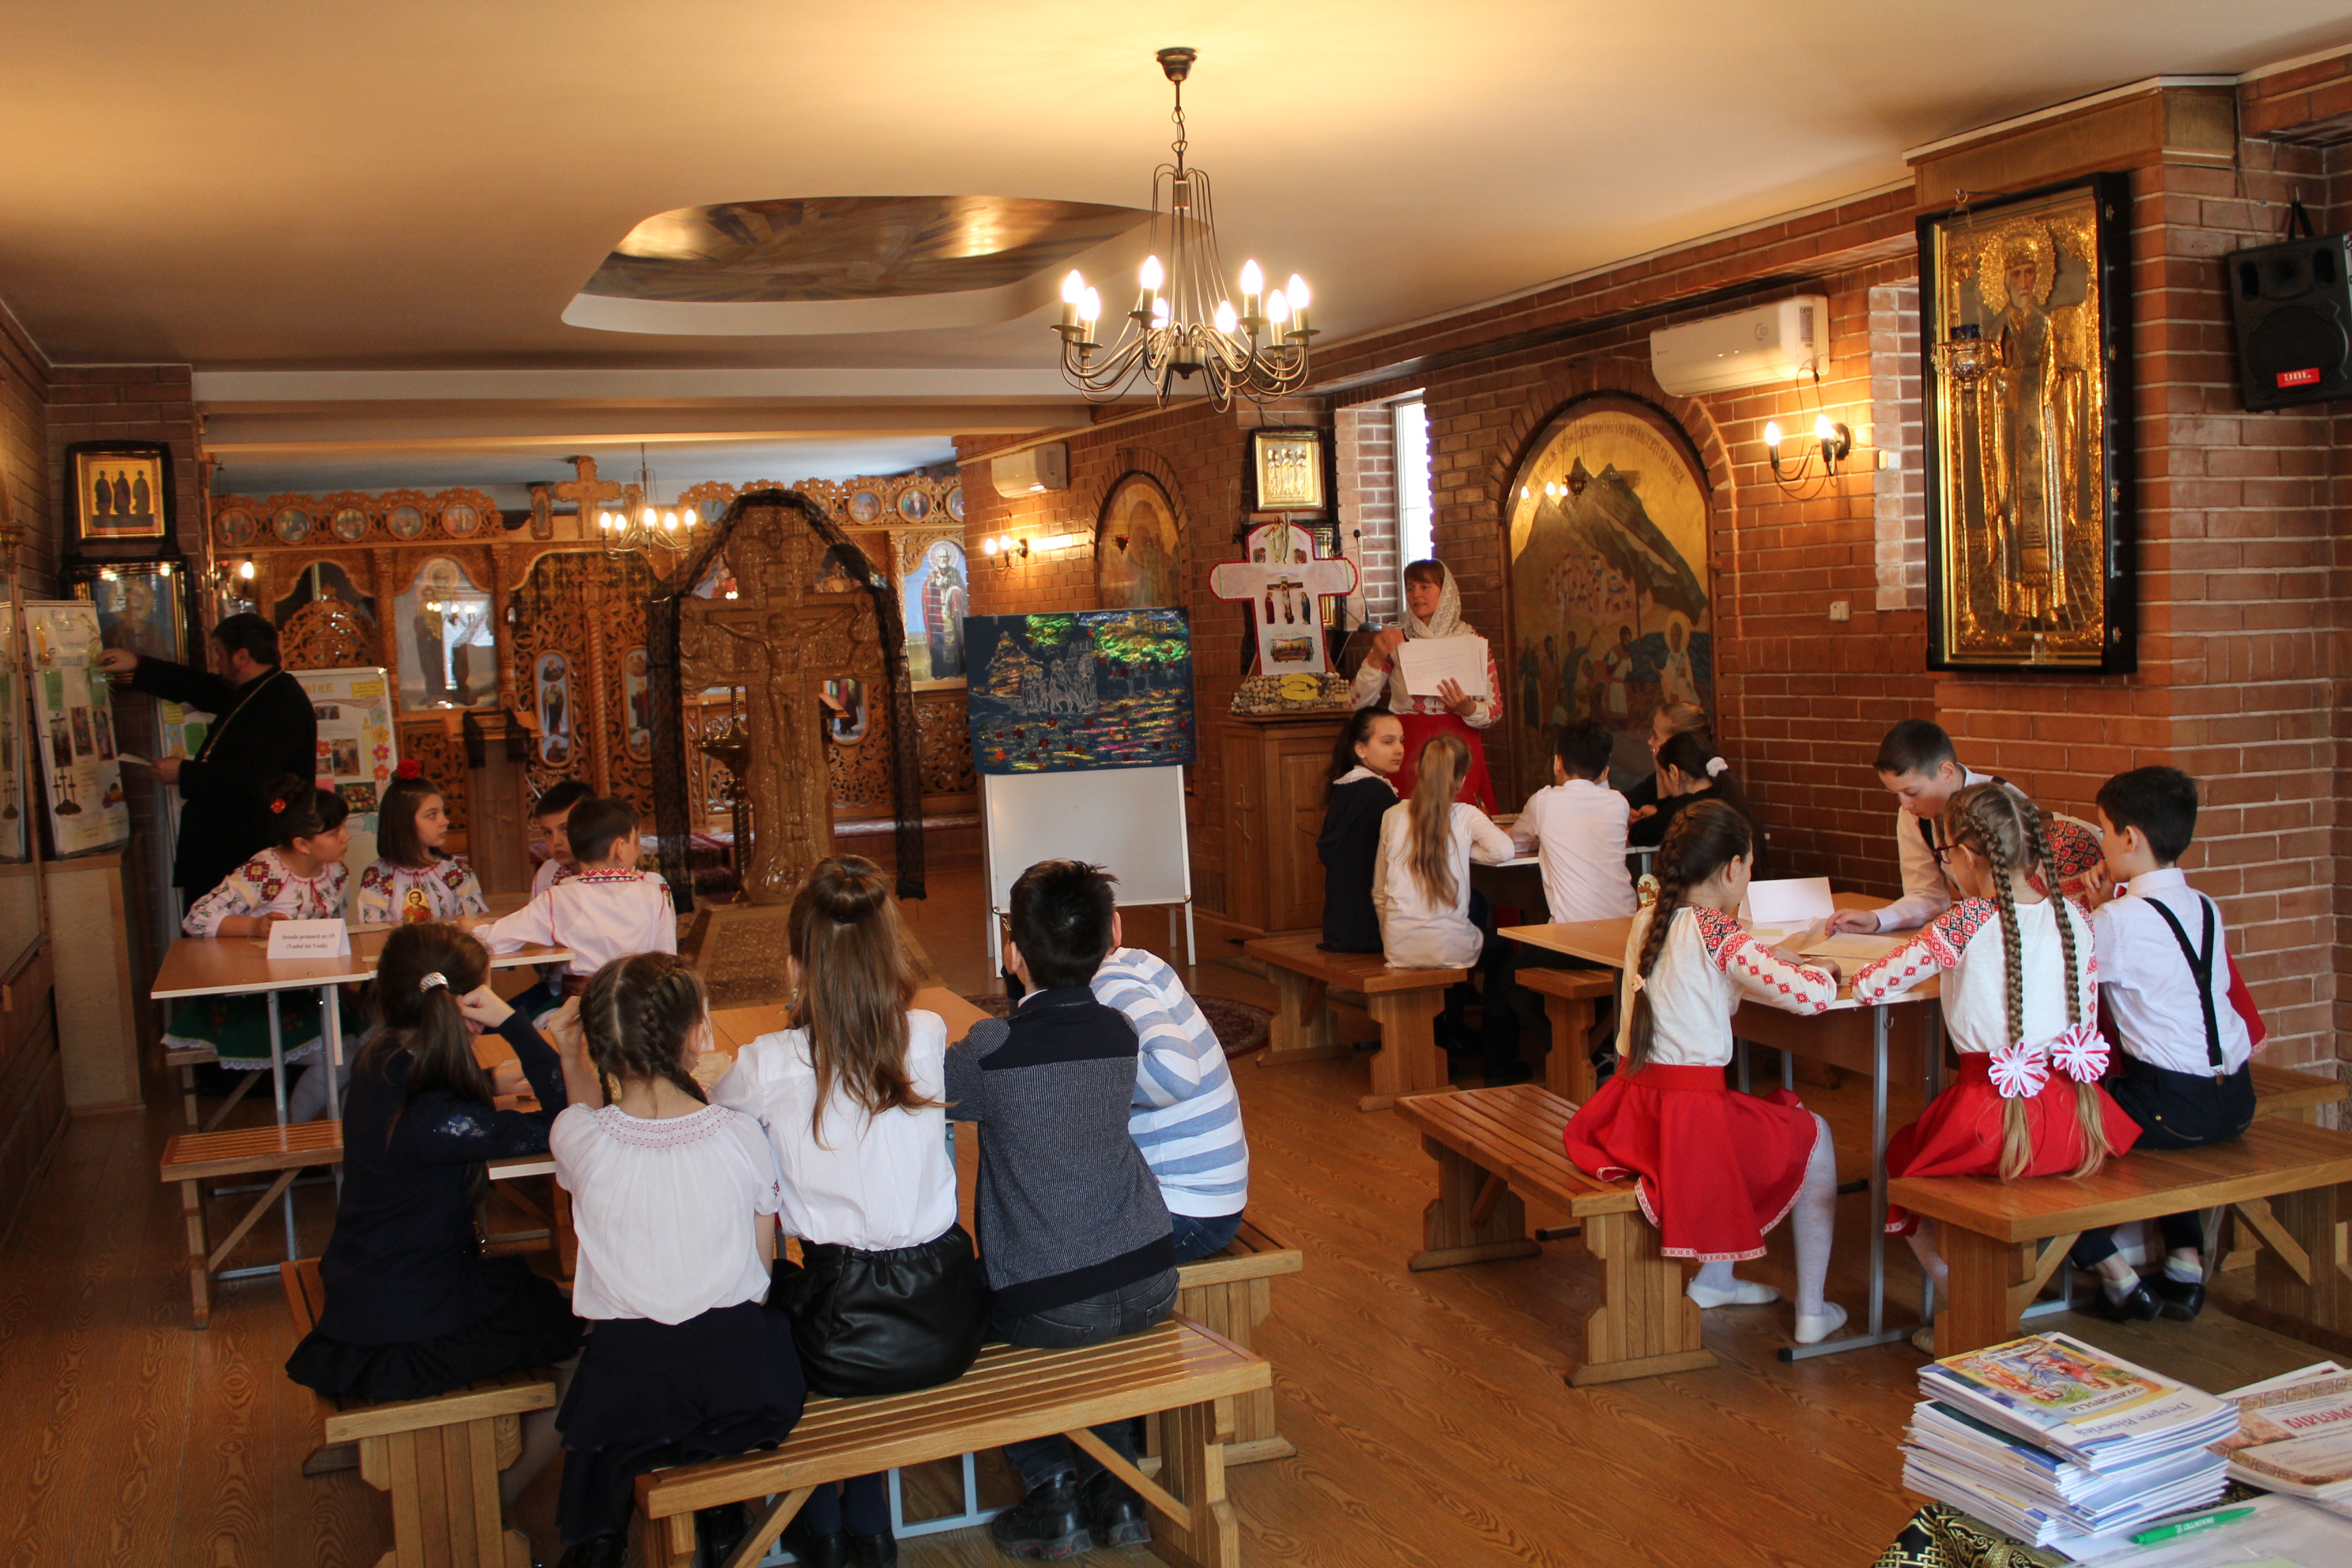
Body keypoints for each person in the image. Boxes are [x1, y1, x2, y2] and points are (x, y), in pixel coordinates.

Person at [715, 857, 985, 1568]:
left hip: (844, 1327)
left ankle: (823, 1526)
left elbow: (718, 1113)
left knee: (760, 1307)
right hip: (948, 1313)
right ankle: (869, 1526)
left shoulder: (768, 1061)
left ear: (796, 969)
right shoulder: (925, 1032)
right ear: (891, 955)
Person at [284, 923, 591, 1530]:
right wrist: (517, 1027)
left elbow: (433, 1113)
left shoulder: (381, 1058)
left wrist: (488, 1083)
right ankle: (485, 1508)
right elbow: (570, 1128)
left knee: (546, 1299)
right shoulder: (435, 1118)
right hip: (410, 1325)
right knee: (595, 1346)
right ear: (467, 1004)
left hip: (368, 1283)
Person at [1849, 783, 2139, 1337]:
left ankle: (1971, 1306)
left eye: (1944, 854)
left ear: (1966, 855)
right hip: (2076, 1116)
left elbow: (1872, 985)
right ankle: (2110, 1271)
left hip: (1994, 1119)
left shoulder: (1964, 922)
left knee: (1902, 1160)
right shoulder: (2075, 917)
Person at [949, 861, 1176, 1559]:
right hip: (1150, 1275)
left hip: (1048, 1300)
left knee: (971, 1318)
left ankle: (1052, 1493)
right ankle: (1116, 1489)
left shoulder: (993, 1047)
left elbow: (941, 1093)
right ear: (1111, 938)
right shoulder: (1120, 1032)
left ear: (1012, 953)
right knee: (1093, 1329)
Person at [550, 953, 806, 1568]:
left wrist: (571, 1061)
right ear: (696, 1033)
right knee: (781, 1305)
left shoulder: (578, 1138)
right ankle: (723, 1523)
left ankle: (598, 1542)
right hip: (739, 1378)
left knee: (604, 1412)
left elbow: (582, 1118)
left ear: (601, 1044)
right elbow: (760, 1276)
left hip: (629, 1381)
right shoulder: (740, 1135)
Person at [1561, 802, 1849, 1342]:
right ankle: (1813, 1310)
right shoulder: (1719, 932)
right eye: (1751, 866)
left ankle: (1717, 1280)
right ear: (1732, 868)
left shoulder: (1650, 918)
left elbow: (1707, 979)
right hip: (1687, 1119)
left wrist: (1764, 961)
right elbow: (1810, 998)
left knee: (1744, 1126)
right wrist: (1825, 969)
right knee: (1815, 1134)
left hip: (1633, 1107)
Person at [2064, 768, 2256, 1322]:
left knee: (2044, 1124)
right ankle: (2184, 1265)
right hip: (2235, 1100)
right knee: (2148, 1107)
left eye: (2103, 831)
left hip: (2170, 1109)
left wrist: (2099, 909)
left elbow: (2068, 981)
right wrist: (2110, 904)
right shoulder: (2206, 906)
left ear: (2130, 838)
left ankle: (2116, 1275)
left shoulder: (2117, 920)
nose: (2101, 845)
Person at [165, 777, 353, 1122]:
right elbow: (197, 917)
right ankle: (298, 1136)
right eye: (334, 832)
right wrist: (254, 927)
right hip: (255, 997)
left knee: (366, 1048)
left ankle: (339, 1137)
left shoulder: (336, 874)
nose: (346, 837)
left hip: (309, 991)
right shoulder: (265, 871)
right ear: (302, 844)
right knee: (342, 1059)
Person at [99, 612, 317, 906]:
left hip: (244, 848)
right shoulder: (254, 690)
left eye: (218, 653)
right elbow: (199, 686)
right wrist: (138, 665)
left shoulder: (282, 703)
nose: (216, 661)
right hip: (224, 847)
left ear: (241, 657)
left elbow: (253, 777)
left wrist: (184, 773)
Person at [1827, 719, 2098, 934]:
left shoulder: (2001, 803)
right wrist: (1878, 919)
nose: (1905, 804)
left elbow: (2033, 884)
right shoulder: (1915, 815)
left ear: (1947, 772)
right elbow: (1927, 894)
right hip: (1974, 924)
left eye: (1912, 792)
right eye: (1896, 794)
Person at [1094, 932, 1250, 1262]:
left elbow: (1176, 1076)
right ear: (1116, 926)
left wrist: (1090, 1074)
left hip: (1184, 1209)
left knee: (1042, 1259)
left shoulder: (1107, 986)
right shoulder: (1139, 962)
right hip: (1211, 1198)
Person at [1375, 733, 1520, 1081]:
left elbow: (1380, 892)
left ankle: (1448, 1036)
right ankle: (1499, 1065)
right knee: (1502, 953)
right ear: (1462, 779)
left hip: (1398, 946)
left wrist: (1391, 934)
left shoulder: (1393, 815)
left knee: (1457, 937)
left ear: (1419, 770)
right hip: (1450, 946)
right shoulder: (1466, 815)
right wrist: (1468, 850)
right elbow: (1504, 851)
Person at [480, 796, 676, 1000]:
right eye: (635, 841)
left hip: (582, 1007)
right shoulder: (653, 893)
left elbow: (492, 941)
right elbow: (668, 959)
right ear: (620, 848)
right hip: (640, 1004)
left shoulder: (557, 898)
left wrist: (472, 928)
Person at [1348, 560, 1503, 808]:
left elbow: (1495, 711)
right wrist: (1377, 657)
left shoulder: (1473, 643)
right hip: (1410, 750)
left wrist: (1468, 708)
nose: (1416, 594)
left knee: (1462, 819)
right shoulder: (1395, 641)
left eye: (1425, 587)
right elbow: (1358, 703)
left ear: (1446, 592)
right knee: (1409, 819)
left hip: (1460, 750)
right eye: (1410, 588)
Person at [1512, 719, 1635, 924]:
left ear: (1557, 763)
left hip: (1573, 931)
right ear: (1605, 771)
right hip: (1626, 922)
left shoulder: (1543, 802)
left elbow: (1515, 843)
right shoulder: (1619, 802)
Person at [1315, 708, 1405, 953]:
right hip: (1369, 927)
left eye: (1401, 740)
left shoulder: (1350, 787)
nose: (1399, 749)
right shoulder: (1375, 793)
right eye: (1388, 742)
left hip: (1343, 924)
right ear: (1361, 749)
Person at [355, 764, 488, 926]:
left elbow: (474, 927)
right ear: (404, 822)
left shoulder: (456, 871)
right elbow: (373, 934)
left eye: (443, 812)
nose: (445, 821)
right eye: (432, 815)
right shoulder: (378, 876)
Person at [1637, 734, 1769, 874]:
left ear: (1675, 773)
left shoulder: (1688, 806)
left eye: (1664, 775)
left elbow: (1639, 834)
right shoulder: (1729, 795)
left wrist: (1659, 773)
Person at [1624, 701, 1710, 842]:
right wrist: (1624, 811)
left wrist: (1656, 817)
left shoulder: (1697, 796)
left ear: (1676, 744)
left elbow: (1647, 833)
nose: (1650, 742)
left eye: (1656, 736)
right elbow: (1630, 799)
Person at [530, 779, 595, 894]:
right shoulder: (547, 873)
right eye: (548, 833)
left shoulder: (614, 873)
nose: (556, 842)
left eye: (566, 829)